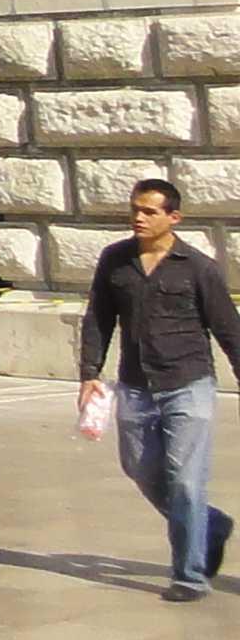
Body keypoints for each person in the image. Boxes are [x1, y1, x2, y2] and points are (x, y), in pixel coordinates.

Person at [77, 178, 240, 602]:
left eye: (150, 211)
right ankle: (211, 524)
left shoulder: (198, 267)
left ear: (174, 217)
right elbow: (98, 317)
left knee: (185, 480)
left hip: (188, 384)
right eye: (135, 209)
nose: (139, 217)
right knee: (140, 470)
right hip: (135, 386)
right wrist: (89, 373)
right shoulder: (115, 260)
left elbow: (228, 328)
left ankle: (189, 576)